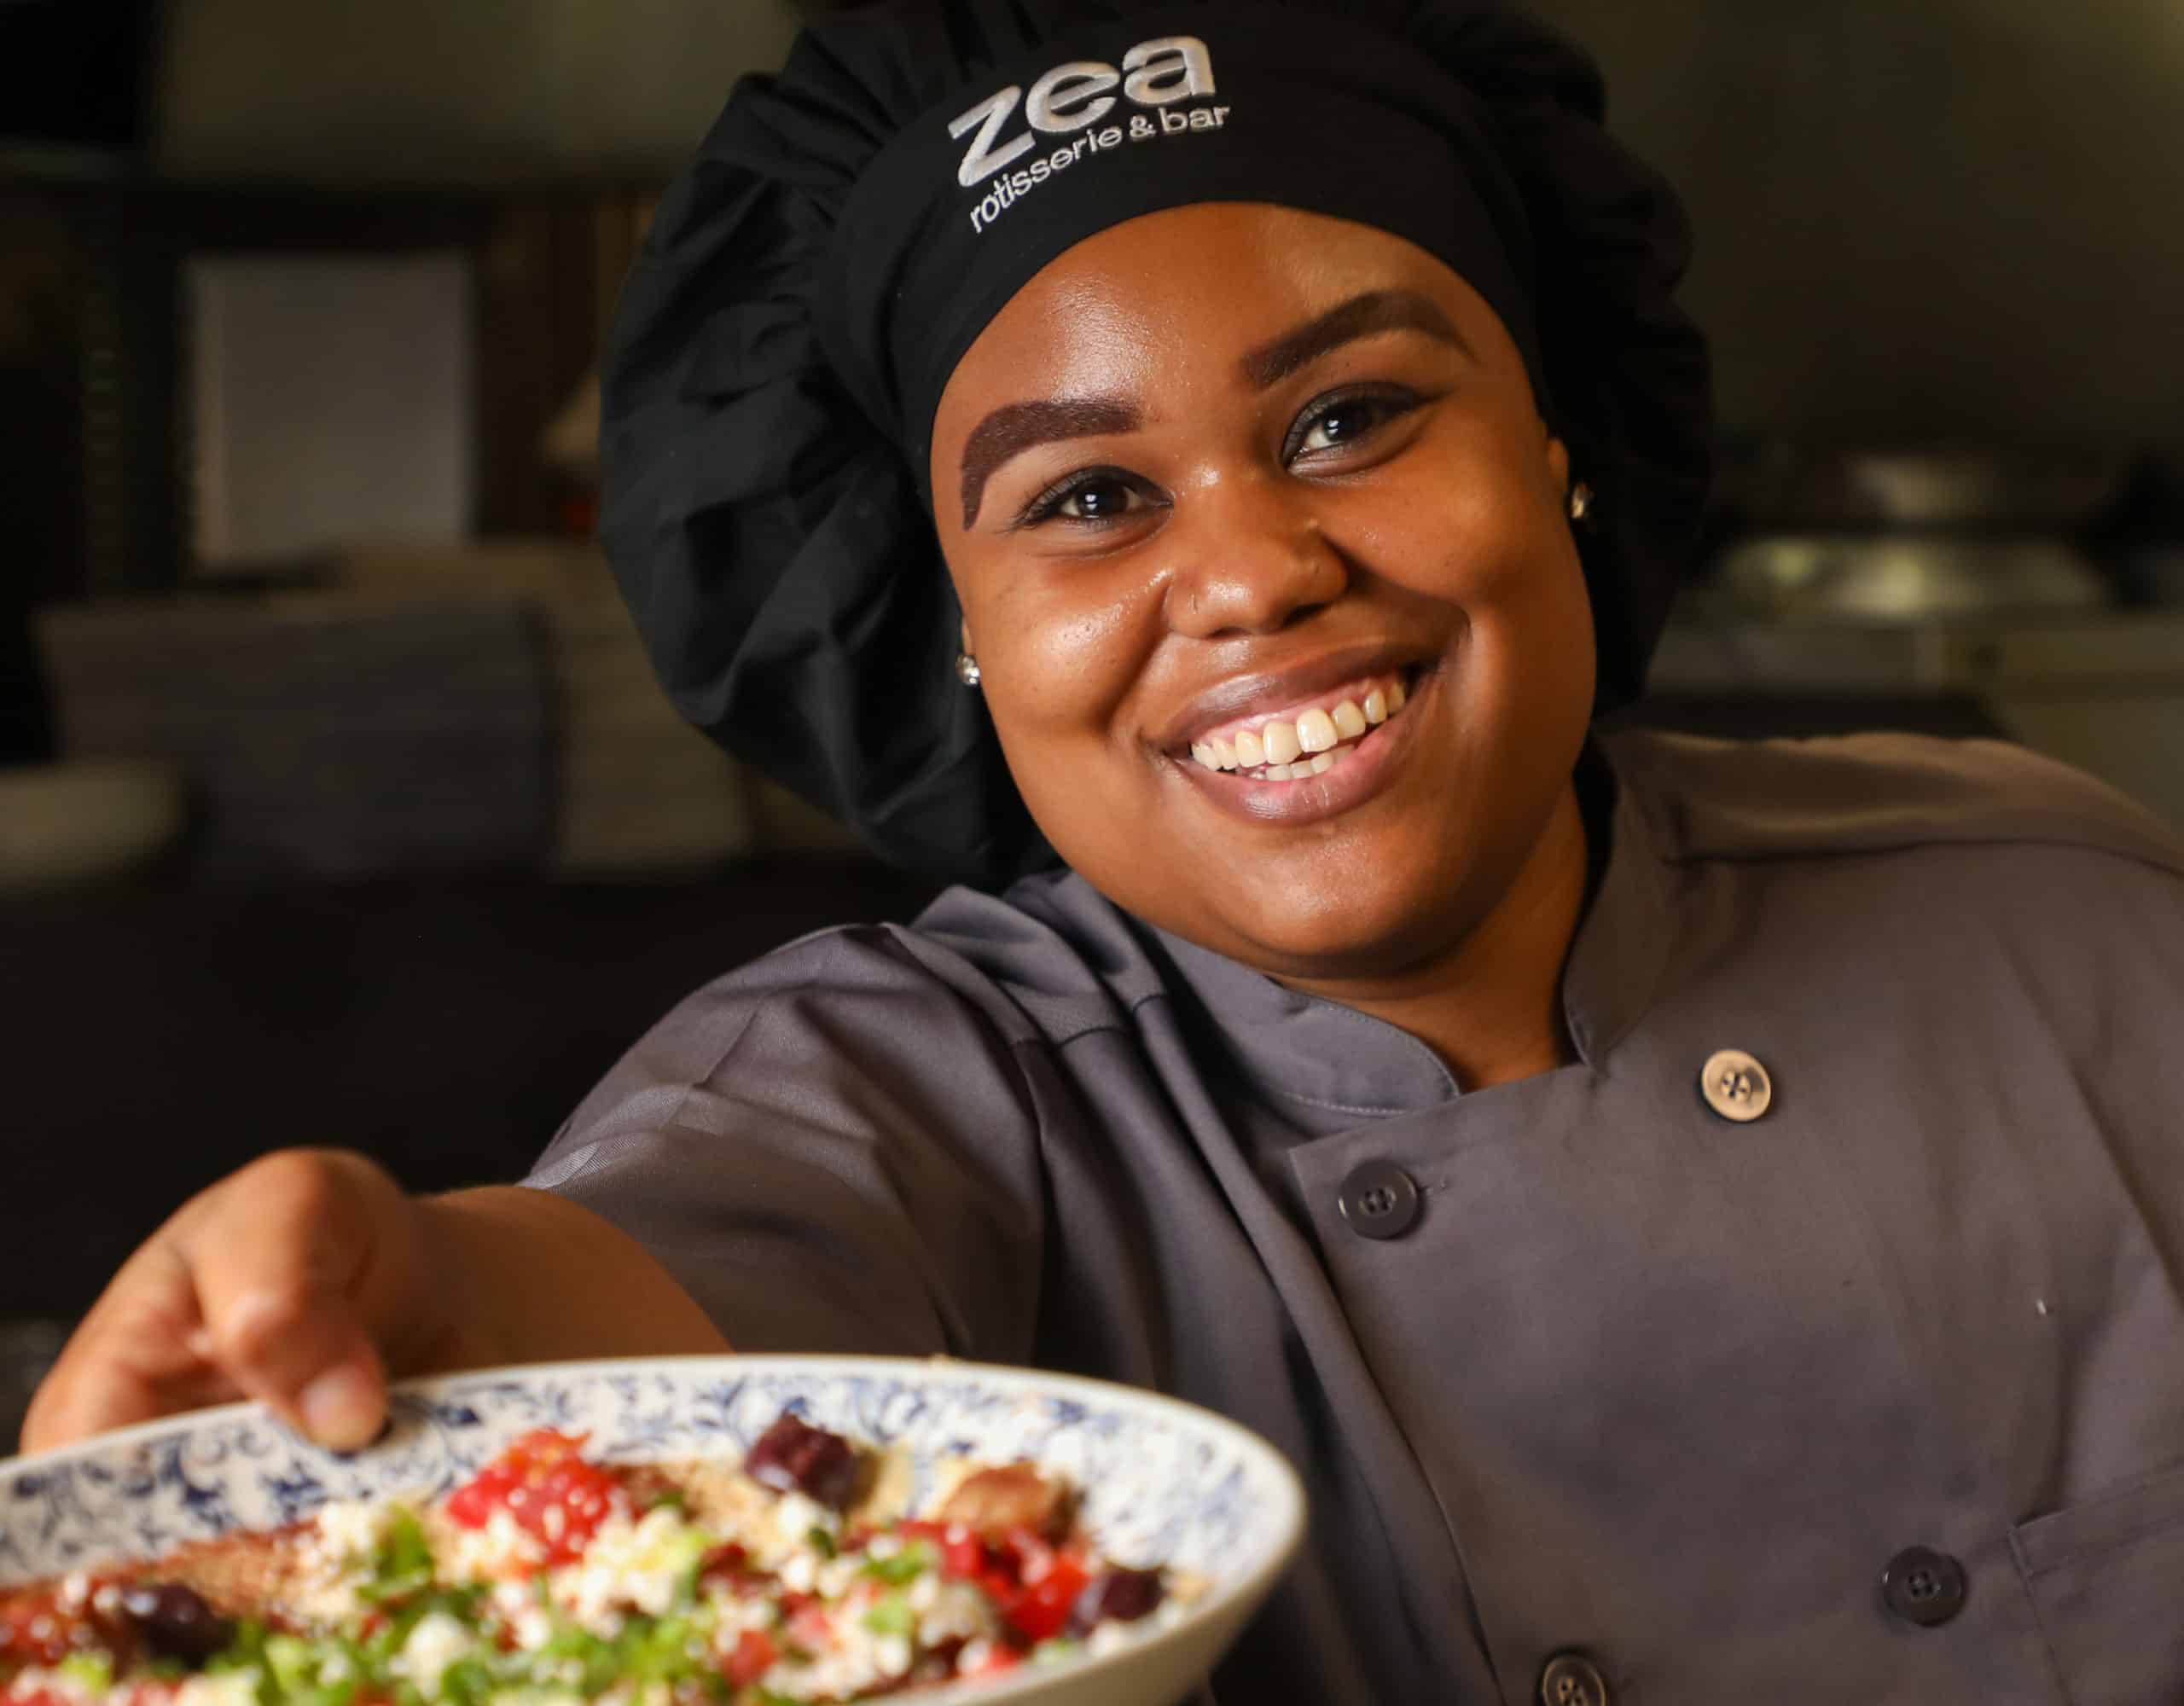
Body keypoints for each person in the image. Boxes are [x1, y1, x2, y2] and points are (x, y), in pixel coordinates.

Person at [26, 3, 2184, 1701]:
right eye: (1081, 499)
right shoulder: (912, 1084)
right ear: (959, 630)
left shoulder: (2056, 914)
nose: (1248, 572)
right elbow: (663, 1276)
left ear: (1552, 446)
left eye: (1348, 417)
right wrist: (422, 1312)